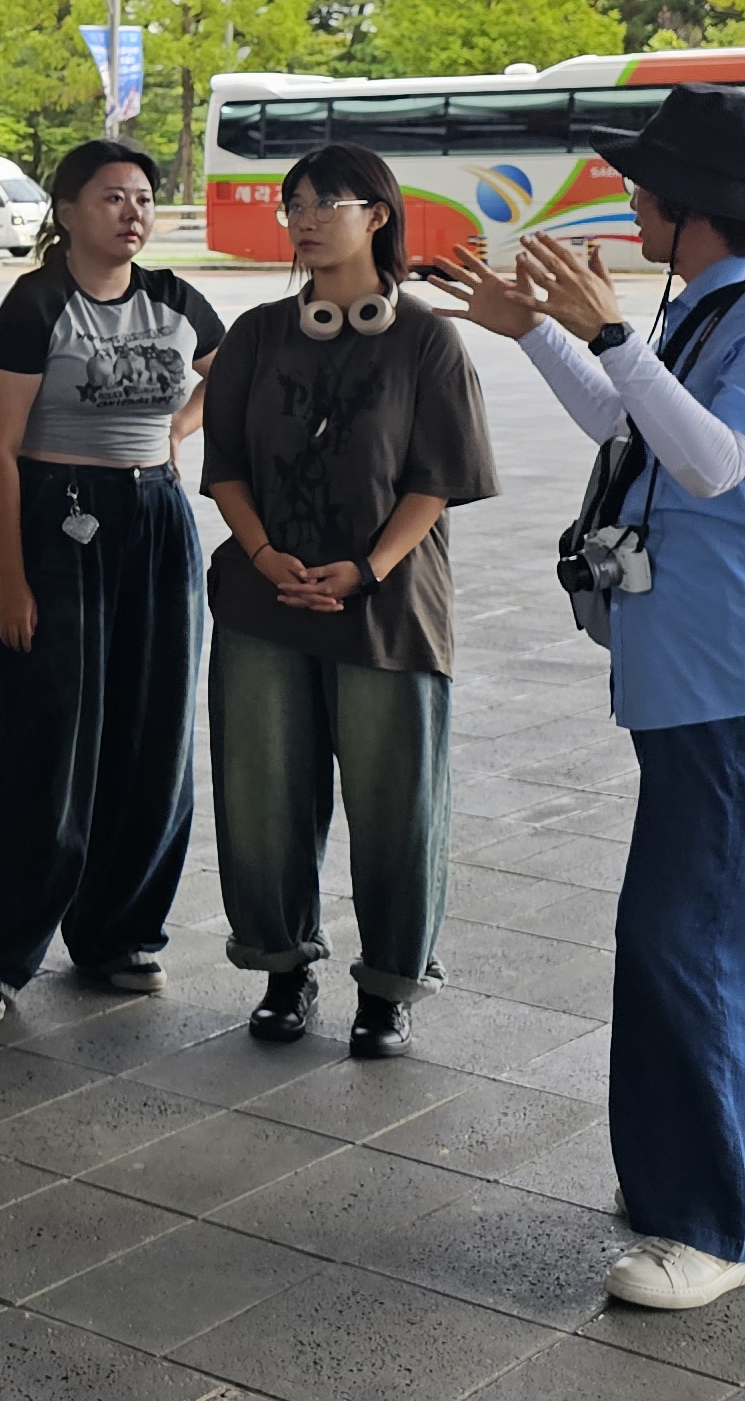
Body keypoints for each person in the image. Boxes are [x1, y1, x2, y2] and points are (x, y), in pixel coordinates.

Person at [427, 84, 745, 1315]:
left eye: (643, 185)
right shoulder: (715, 307)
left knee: (682, 938)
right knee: (743, 932)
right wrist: (535, 331)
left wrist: (609, 327)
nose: (629, 201)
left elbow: (713, 463)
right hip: (697, 676)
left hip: (739, 680)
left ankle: (704, 1226)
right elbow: (632, 421)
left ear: (693, 204)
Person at [198, 144, 497, 1064]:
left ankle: (389, 987)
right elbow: (225, 466)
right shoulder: (256, 335)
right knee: (262, 797)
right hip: (264, 602)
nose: (306, 217)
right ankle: (283, 968)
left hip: (388, 609)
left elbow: (436, 479)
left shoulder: (426, 340)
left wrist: (365, 569)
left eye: (328, 201)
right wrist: (263, 556)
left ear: (379, 215)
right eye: (294, 203)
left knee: (396, 802)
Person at [0, 139, 223, 1024]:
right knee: (43, 739)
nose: (133, 213)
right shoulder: (37, 305)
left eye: (144, 198)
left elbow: (232, 375)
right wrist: (12, 579)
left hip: (157, 522)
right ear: (66, 212)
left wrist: (177, 431)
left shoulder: (176, 299)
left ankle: (119, 933)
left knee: (153, 732)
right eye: (111, 197)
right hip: (59, 523)